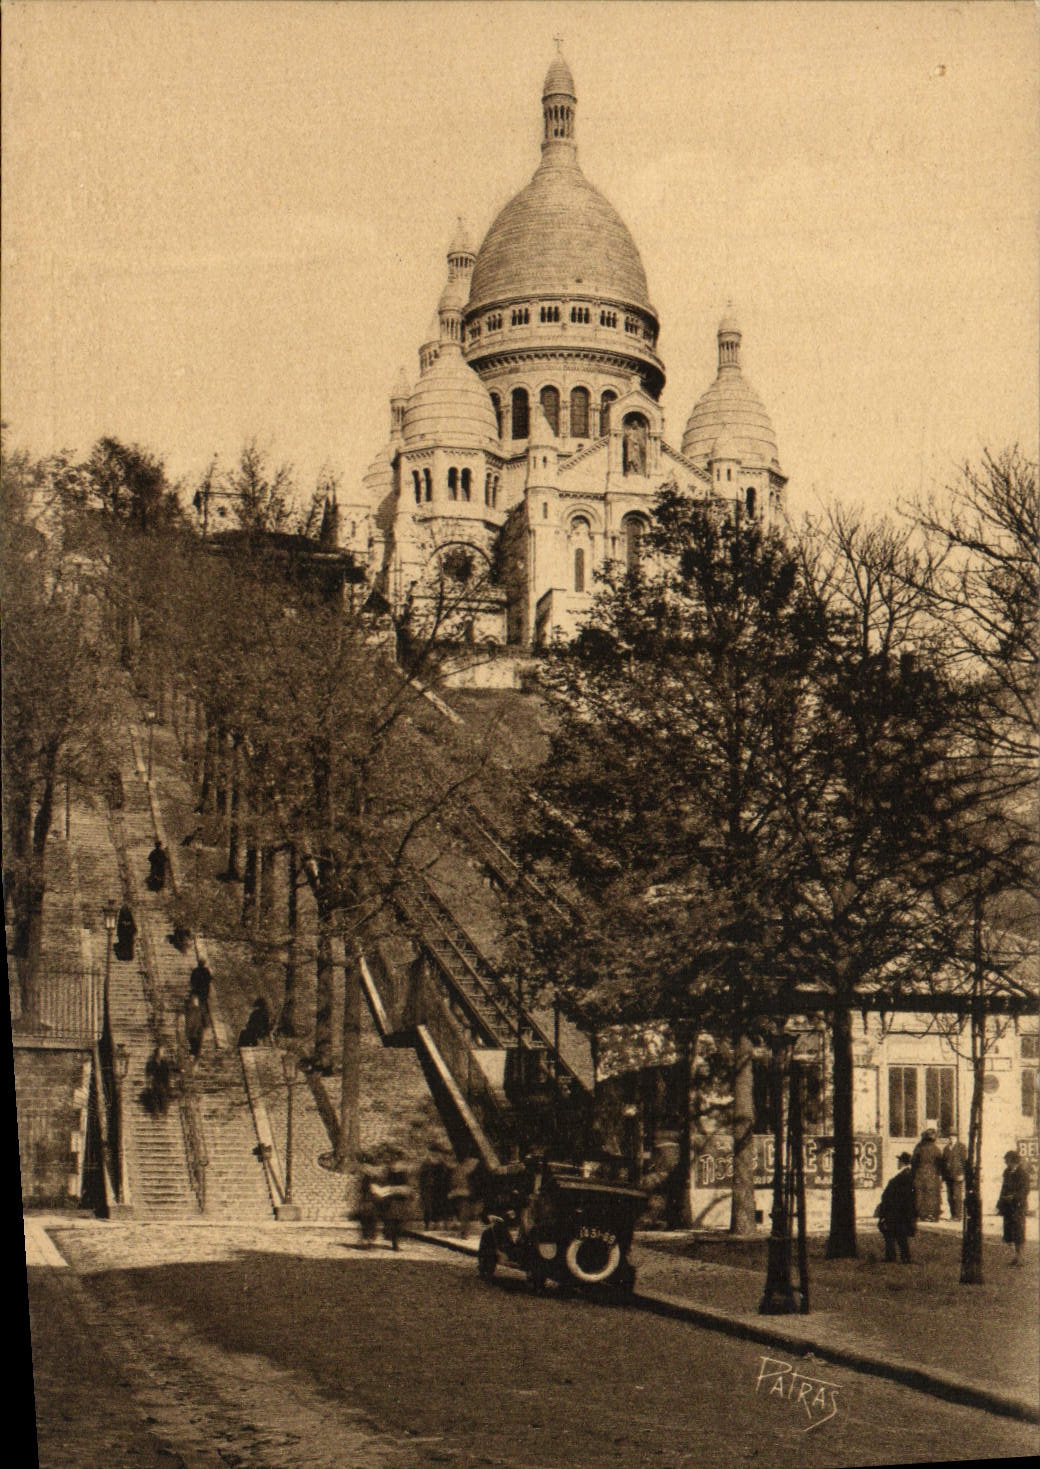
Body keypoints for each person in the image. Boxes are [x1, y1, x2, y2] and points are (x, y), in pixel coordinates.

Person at [875, 1152, 916, 1262]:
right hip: (899, 1209)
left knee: (892, 1232)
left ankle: (894, 1256)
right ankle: (902, 1256)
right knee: (898, 1234)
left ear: (902, 1162)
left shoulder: (904, 1176)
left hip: (896, 1209)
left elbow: (898, 1195)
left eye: (899, 1161)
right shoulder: (907, 1174)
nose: (898, 1163)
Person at [996, 1149, 1031, 1265]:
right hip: (1008, 1207)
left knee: (1019, 1231)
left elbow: (1025, 1190)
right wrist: (1000, 1203)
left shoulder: (1023, 1174)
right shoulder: (1006, 1172)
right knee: (1009, 1232)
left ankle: (1020, 1257)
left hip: (1018, 1207)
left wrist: (1014, 1197)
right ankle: (1015, 1257)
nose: (1007, 1163)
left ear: (1014, 1161)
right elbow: (1003, 1188)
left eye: (1008, 1161)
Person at [381, 1150, 415, 1252]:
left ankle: (394, 1241)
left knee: (396, 1221)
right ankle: (395, 1243)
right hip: (396, 1199)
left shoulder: (394, 1170)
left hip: (397, 1198)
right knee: (397, 1221)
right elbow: (408, 1184)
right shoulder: (394, 1171)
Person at [911, 1127, 944, 1221]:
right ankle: (932, 1215)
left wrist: (914, 1173)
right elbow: (940, 1164)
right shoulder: (936, 1149)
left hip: (920, 1175)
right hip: (932, 1176)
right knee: (932, 1195)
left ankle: (921, 1214)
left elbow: (914, 1162)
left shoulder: (919, 1148)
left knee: (919, 1194)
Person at [942, 1134, 968, 1222]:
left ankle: (958, 1216)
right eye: (949, 1137)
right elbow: (943, 1162)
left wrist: (963, 1173)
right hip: (948, 1175)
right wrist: (943, 1176)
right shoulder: (946, 1148)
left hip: (958, 1175)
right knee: (950, 1197)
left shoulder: (961, 1147)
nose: (951, 1139)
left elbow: (965, 1161)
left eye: (953, 1137)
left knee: (957, 1196)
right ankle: (953, 1215)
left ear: (956, 1138)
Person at [143, 1044, 172, 1116]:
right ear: (156, 1053)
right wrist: (149, 1083)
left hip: (163, 1083)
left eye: (163, 1052)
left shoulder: (164, 1063)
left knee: (164, 1096)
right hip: (155, 1082)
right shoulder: (151, 1063)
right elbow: (148, 1073)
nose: (162, 1054)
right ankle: (155, 1113)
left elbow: (168, 1071)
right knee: (154, 1096)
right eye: (161, 1052)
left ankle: (164, 1112)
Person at [184, 992, 205, 1059]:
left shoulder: (199, 1009)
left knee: (196, 1042)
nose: (196, 1001)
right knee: (194, 1042)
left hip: (197, 1029)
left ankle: (194, 1054)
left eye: (196, 1000)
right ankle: (193, 1054)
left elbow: (203, 1019)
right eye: (195, 1000)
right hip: (193, 1029)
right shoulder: (191, 1009)